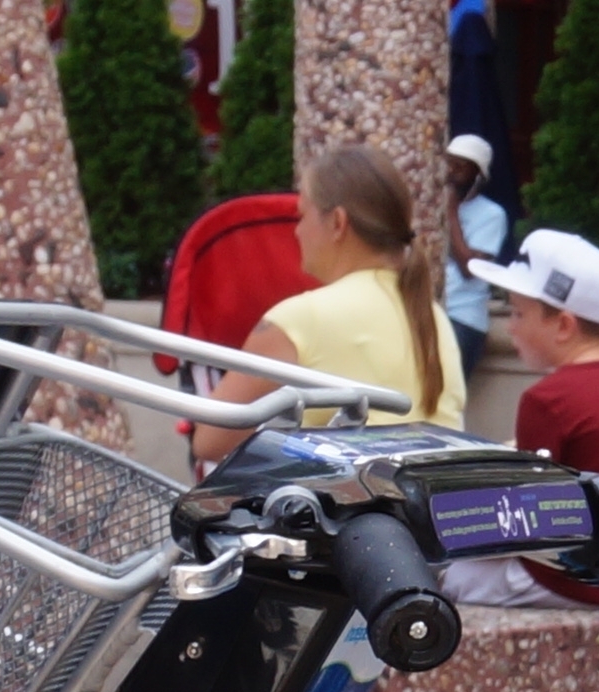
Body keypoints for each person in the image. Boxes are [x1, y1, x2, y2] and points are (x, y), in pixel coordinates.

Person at [195, 145, 464, 464]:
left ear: (337, 222)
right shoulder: (430, 314)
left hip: (359, 509)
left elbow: (209, 441)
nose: (296, 231)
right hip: (436, 502)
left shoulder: (299, 320)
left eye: (302, 215)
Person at [451, 228, 599, 608]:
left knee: (444, 573)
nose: (511, 327)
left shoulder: (548, 398)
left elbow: (525, 523)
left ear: (564, 325)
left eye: (519, 312)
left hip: (570, 582)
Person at [439, 133, 507, 362]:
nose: (451, 171)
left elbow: (470, 268)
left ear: (478, 175)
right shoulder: (428, 205)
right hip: (429, 314)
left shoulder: (491, 214)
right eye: (449, 162)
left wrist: (451, 213)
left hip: (461, 319)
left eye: (461, 166)